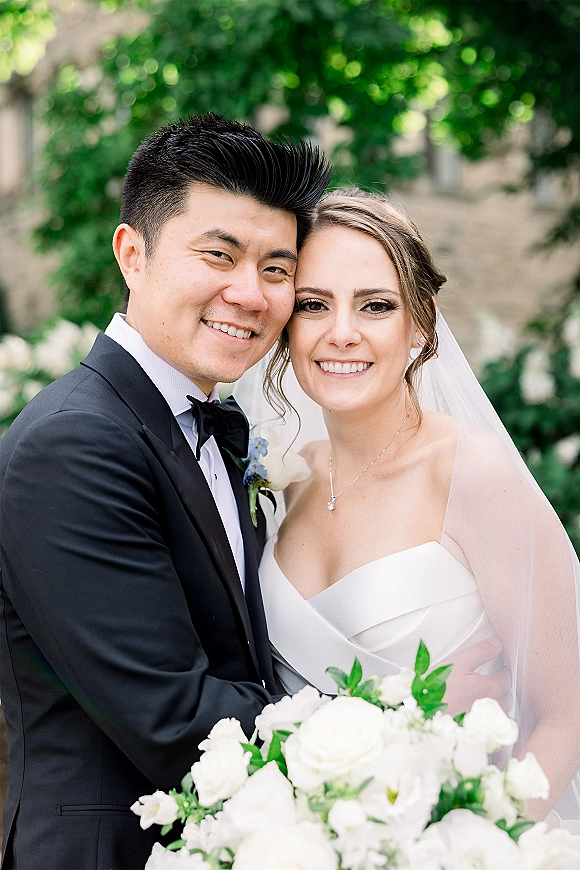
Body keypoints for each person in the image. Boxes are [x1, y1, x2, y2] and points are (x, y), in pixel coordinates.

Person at [0, 113, 331, 870]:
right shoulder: (73, 441)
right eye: (218, 254)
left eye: (277, 270)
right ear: (133, 254)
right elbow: (173, 716)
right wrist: (384, 733)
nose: (249, 294)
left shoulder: (220, 425)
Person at [245, 189, 580, 824]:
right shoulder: (287, 480)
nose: (341, 333)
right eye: (314, 305)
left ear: (420, 323)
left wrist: (480, 850)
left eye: (375, 306)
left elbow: (566, 712)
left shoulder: (474, 476)